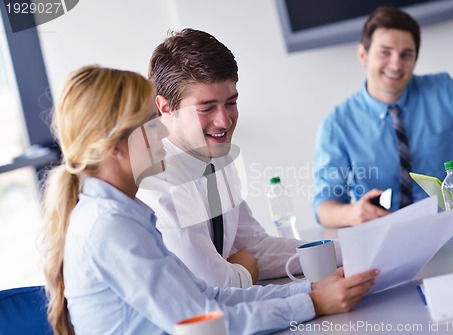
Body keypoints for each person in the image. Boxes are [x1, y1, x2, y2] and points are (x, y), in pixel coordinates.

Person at [40, 65, 378, 335]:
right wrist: (313, 304)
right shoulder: (109, 227)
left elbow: (207, 297)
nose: (162, 131)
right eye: (149, 123)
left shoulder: (125, 215)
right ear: (115, 147)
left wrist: (310, 293)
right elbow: (201, 320)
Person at [137, 28, 309, 289]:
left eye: (231, 102)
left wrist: (346, 251)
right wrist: (245, 268)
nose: (224, 121)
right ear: (165, 108)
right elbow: (212, 286)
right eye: (206, 108)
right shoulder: (156, 178)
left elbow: (257, 249)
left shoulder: (217, 157)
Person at [313, 6, 453, 228]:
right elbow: (324, 205)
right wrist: (352, 214)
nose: (396, 64)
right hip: (388, 236)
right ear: (363, 54)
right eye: (385, 52)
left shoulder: (445, 91)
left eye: (406, 54)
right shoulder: (337, 125)